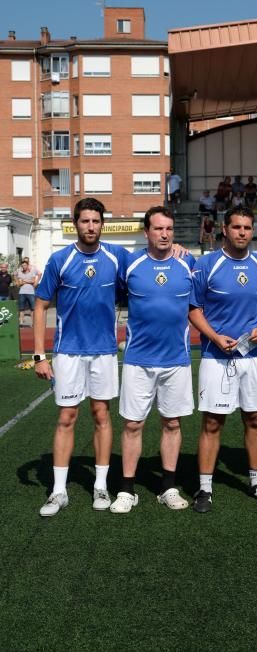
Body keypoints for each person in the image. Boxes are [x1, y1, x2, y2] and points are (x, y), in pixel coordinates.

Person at [34, 198, 126, 517]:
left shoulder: (117, 256)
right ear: (75, 223)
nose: (91, 226)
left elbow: (152, 260)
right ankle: (58, 492)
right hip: (68, 352)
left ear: (103, 224)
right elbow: (40, 304)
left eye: (96, 221)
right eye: (85, 221)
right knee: (66, 417)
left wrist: (178, 251)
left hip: (103, 351)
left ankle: (100, 485)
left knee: (101, 415)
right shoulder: (60, 259)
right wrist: (38, 355)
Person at [189, 205, 257, 513]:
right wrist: (213, 336)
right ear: (225, 229)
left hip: (252, 357)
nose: (242, 232)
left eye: (247, 228)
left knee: (254, 418)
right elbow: (193, 309)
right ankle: (204, 489)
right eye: (236, 227)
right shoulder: (207, 264)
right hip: (216, 356)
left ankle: (256, 481)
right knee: (213, 422)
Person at [111, 207, 196, 514]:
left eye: (169, 229)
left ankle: (168, 487)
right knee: (133, 424)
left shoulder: (187, 263)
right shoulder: (129, 263)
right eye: (158, 229)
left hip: (176, 359)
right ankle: (126, 490)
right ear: (146, 232)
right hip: (138, 359)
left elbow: (197, 306)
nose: (164, 234)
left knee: (172, 423)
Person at [15, 259, 40, 326]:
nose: (24, 266)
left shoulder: (32, 272)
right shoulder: (20, 272)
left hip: (31, 292)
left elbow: (33, 281)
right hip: (22, 293)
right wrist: (19, 282)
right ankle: (21, 322)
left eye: (25, 265)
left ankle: (33, 323)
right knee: (21, 308)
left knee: (32, 308)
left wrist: (24, 281)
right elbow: (19, 282)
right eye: (22, 265)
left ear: (27, 265)